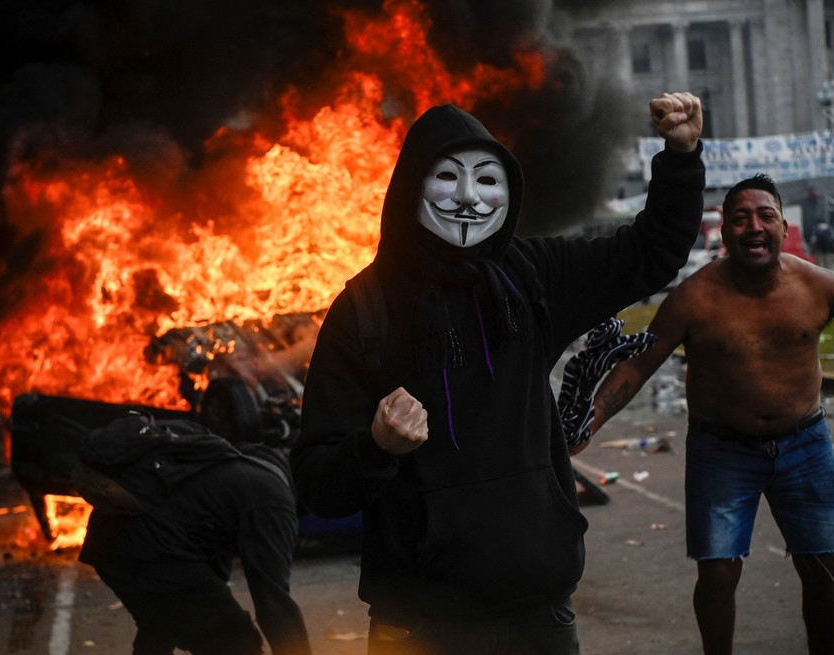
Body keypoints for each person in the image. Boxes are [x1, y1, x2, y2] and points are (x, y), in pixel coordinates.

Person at [291, 93, 706, 654]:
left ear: (508, 193)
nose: (467, 198)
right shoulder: (365, 309)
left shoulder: (532, 277)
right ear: (411, 185)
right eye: (446, 177)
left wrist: (680, 158)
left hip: (538, 618)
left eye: (486, 180)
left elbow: (649, 253)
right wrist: (376, 446)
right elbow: (317, 482)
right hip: (418, 624)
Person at [588, 173, 834, 655]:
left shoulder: (815, 284)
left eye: (765, 215)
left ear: (783, 227)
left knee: (821, 566)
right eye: (741, 218)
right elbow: (638, 365)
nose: (754, 227)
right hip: (720, 448)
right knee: (719, 570)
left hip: (803, 442)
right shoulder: (694, 297)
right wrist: (590, 420)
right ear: (724, 232)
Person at [76, 413, 312, 655]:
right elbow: (273, 601)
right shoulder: (272, 500)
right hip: (144, 549)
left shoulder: (239, 463)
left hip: (112, 543)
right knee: (236, 642)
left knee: (170, 617)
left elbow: (204, 572)